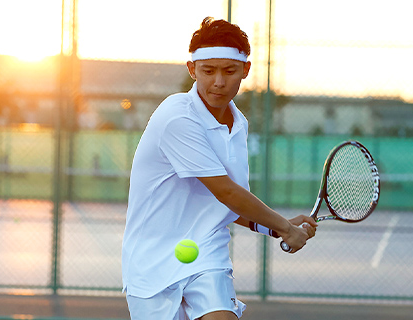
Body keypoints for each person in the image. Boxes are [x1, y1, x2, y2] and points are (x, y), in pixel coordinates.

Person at [121, 17, 318, 320]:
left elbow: (225, 201)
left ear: (245, 70)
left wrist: (270, 225)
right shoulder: (177, 116)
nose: (218, 82)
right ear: (192, 70)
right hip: (152, 263)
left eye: (229, 71)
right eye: (208, 71)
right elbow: (226, 191)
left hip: (207, 255)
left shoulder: (238, 124)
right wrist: (285, 228)